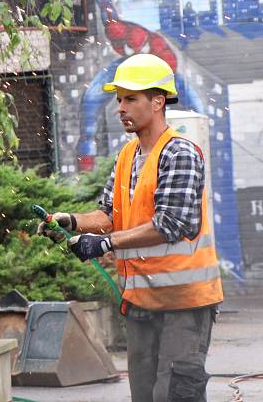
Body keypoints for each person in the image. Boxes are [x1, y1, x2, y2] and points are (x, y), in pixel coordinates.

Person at [38, 53, 223, 402]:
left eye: (130, 98)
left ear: (157, 101)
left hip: (184, 305)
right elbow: (109, 214)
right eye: (118, 98)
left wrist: (104, 244)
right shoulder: (128, 155)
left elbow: (171, 224)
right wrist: (71, 222)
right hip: (141, 303)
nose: (120, 107)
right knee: (145, 396)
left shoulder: (179, 153)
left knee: (175, 395)